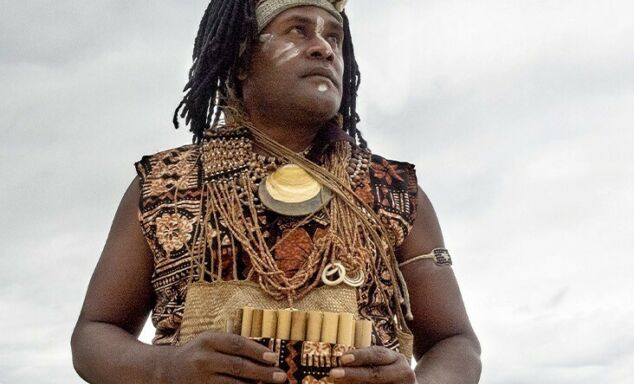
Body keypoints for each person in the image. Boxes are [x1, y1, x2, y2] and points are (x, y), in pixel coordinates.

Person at [71, 0, 481, 383]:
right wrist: (166, 368)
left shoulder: (397, 192)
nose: (323, 48)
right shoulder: (163, 184)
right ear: (242, 59)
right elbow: (94, 334)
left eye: (334, 37)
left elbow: (456, 341)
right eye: (298, 31)